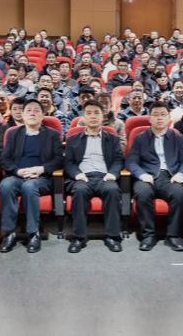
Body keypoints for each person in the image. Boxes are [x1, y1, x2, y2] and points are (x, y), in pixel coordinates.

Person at [0, 98, 63, 253]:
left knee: (29, 186)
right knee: (5, 185)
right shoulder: (13, 134)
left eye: (36, 110)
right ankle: (9, 233)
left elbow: (59, 159)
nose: (32, 113)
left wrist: (41, 169)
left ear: (42, 115)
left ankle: (33, 233)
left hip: (41, 178)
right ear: (23, 115)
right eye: (28, 110)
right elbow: (4, 159)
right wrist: (17, 171)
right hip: (18, 175)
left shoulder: (52, 134)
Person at [126, 101, 183, 252]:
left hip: (170, 177)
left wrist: (181, 174)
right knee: (142, 193)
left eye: (163, 114)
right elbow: (131, 161)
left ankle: (173, 235)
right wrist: (141, 174)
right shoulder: (140, 137)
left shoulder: (178, 137)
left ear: (168, 118)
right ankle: (148, 235)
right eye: (155, 115)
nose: (159, 118)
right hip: (147, 176)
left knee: (180, 194)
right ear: (150, 118)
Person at [63, 100, 124, 253]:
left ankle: (112, 236)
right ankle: (79, 237)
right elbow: (68, 162)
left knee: (112, 190)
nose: (93, 116)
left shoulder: (112, 138)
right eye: (89, 113)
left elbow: (118, 160)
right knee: (79, 191)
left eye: (97, 113)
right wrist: (77, 174)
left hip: (105, 176)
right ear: (83, 117)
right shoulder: (73, 139)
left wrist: (113, 173)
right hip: (83, 177)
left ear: (103, 116)